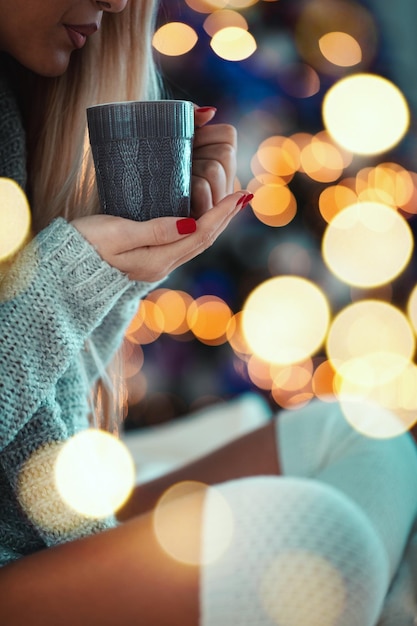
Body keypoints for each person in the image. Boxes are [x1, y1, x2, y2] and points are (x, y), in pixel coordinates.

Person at [0, 1, 417, 625]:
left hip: (39, 512)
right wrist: (73, 278)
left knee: (361, 439)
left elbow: (44, 409)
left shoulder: (19, 101)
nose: (117, 3)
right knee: (323, 543)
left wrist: (129, 265)